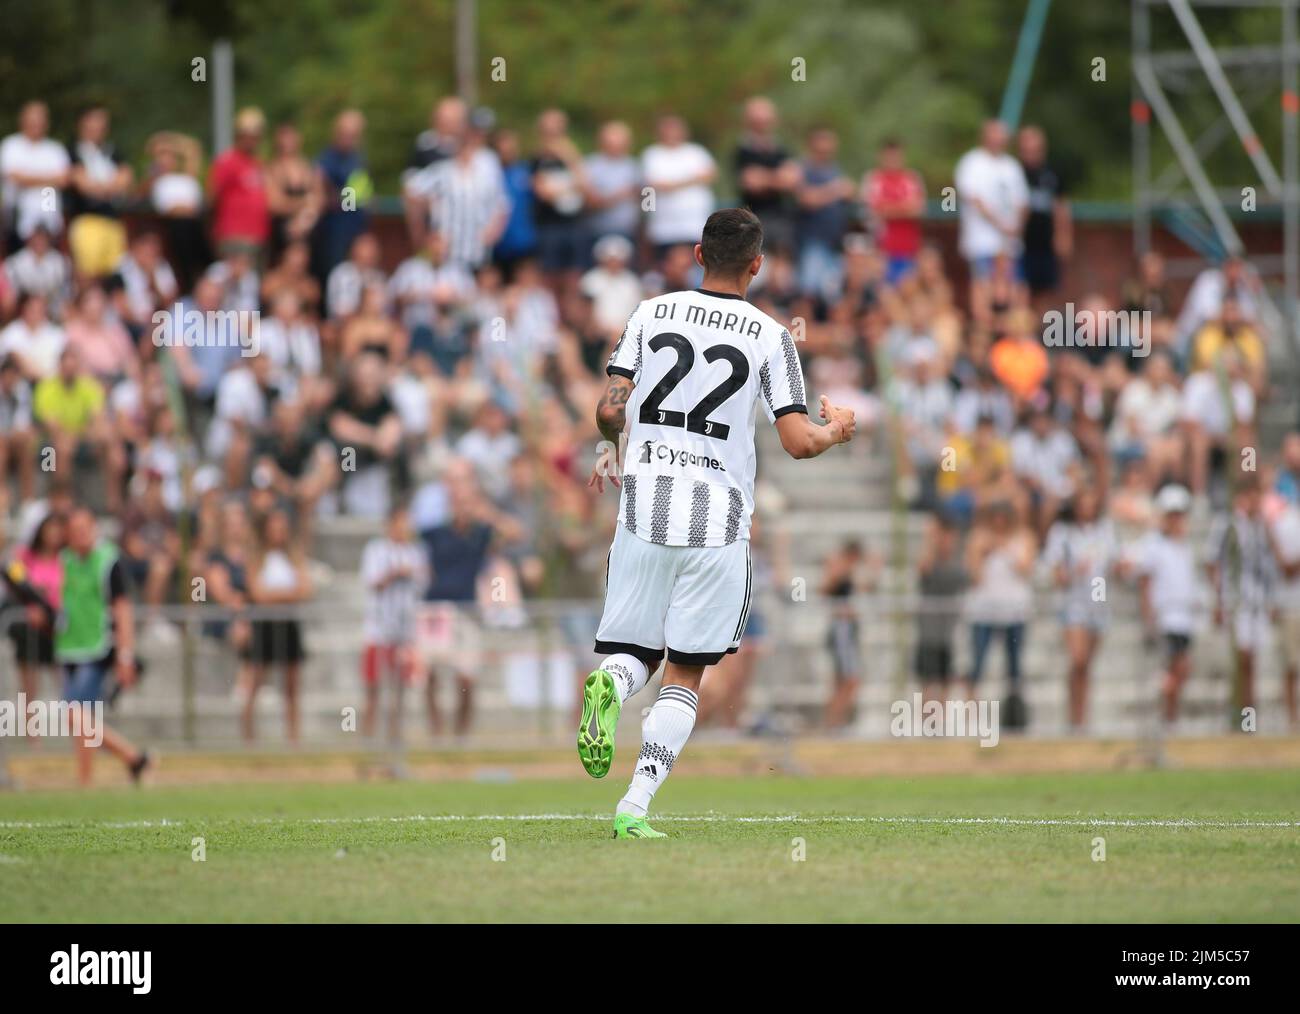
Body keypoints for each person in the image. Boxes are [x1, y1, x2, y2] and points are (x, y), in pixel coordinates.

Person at [582, 207, 857, 838]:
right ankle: (634, 807)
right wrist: (839, 430)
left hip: (643, 505)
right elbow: (797, 443)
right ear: (757, 266)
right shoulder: (769, 335)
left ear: (698, 255)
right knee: (686, 671)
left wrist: (610, 445)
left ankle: (609, 684)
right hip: (716, 521)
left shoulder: (651, 313)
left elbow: (608, 407)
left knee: (633, 652)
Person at [56, 507, 151, 786]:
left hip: (97, 649)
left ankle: (133, 756)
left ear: (94, 528)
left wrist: (125, 654)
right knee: (82, 718)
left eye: (85, 529)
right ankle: (87, 780)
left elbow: (123, 610)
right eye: (75, 531)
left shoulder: (108, 561)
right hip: (69, 648)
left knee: (74, 714)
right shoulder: (65, 561)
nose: (80, 535)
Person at [1041, 486, 1116, 730]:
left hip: (1098, 605)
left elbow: (1113, 563)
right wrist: (1074, 572)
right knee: (1078, 659)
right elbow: (1056, 573)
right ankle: (1074, 718)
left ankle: (1082, 720)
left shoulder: (1105, 531)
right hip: (1073, 603)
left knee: (1087, 665)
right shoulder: (1062, 533)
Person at [1206, 476, 1275, 719]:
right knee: (1240, 658)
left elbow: (1268, 564)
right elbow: (1213, 561)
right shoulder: (1227, 524)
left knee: (1252, 660)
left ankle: (1248, 712)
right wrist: (1217, 599)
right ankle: (1238, 710)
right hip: (1234, 601)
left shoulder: (1261, 527)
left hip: (1256, 600)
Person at [243, 507, 312, 744]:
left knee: (292, 686)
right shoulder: (257, 558)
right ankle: (249, 737)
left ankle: (293, 739)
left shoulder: (294, 556)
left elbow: (305, 589)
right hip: (266, 625)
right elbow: (258, 594)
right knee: (256, 682)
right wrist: (287, 595)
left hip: (288, 623)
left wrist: (275, 595)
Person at [360, 504, 428, 744]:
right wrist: (394, 573)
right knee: (374, 689)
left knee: (399, 691)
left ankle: (395, 741)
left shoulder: (415, 552)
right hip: (378, 631)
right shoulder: (376, 550)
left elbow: (424, 582)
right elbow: (372, 582)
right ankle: (368, 742)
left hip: (404, 631)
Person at [1132, 485, 1199, 724]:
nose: (1177, 520)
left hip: (1183, 617)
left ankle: (1168, 719)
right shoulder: (1153, 544)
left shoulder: (1185, 546)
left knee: (1180, 671)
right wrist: (1148, 617)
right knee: (1176, 669)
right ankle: (1165, 718)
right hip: (1166, 617)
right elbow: (1145, 583)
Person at [954, 120, 1028, 321]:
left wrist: (1016, 227)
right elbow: (973, 198)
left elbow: (1022, 201)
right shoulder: (971, 162)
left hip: (1009, 243)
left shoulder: (1012, 166)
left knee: (1014, 289)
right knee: (983, 289)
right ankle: (985, 335)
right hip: (982, 242)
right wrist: (1001, 225)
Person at [915, 513, 969, 703]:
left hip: (948, 633)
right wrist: (930, 539)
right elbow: (923, 568)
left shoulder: (957, 561)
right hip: (929, 633)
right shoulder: (930, 559)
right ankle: (927, 727)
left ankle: (941, 726)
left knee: (946, 681)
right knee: (928, 682)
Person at [1017, 125, 1070, 309]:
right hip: (1021, 243)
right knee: (1021, 288)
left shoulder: (1052, 173)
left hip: (1045, 241)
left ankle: (1040, 332)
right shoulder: (1013, 173)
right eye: (1027, 150)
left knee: (1046, 290)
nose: (1031, 155)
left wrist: (1063, 235)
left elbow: (1061, 206)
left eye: (1035, 150)